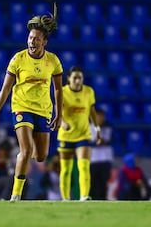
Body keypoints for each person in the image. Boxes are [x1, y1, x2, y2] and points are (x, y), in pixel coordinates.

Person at [0, 2, 63, 201]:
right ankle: (16, 195)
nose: (32, 41)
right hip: (22, 107)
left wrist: (59, 114)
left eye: (36, 39)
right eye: (30, 38)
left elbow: (58, 90)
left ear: (45, 41)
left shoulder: (53, 61)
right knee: (26, 150)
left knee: (41, 156)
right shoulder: (18, 59)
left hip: (44, 111)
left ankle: (21, 173)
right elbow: (5, 89)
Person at [57, 66, 102, 201]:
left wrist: (97, 129)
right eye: (75, 77)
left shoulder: (88, 91)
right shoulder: (62, 92)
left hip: (83, 134)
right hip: (66, 135)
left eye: (80, 78)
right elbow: (56, 111)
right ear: (69, 79)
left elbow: (92, 111)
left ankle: (84, 196)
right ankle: (65, 199)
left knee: (83, 166)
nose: (77, 80)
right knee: (66, 169)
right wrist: (62, 122)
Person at [89, 109, 114, 200]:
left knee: (103, 182)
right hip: (93, 159)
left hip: (105, 159)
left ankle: (103, 200)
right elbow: (88, 142)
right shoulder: (89, 127)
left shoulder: (109, 127)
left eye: (102, 116)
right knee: (93, 182)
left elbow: (112, 140)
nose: (100, 119)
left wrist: (102, 141)